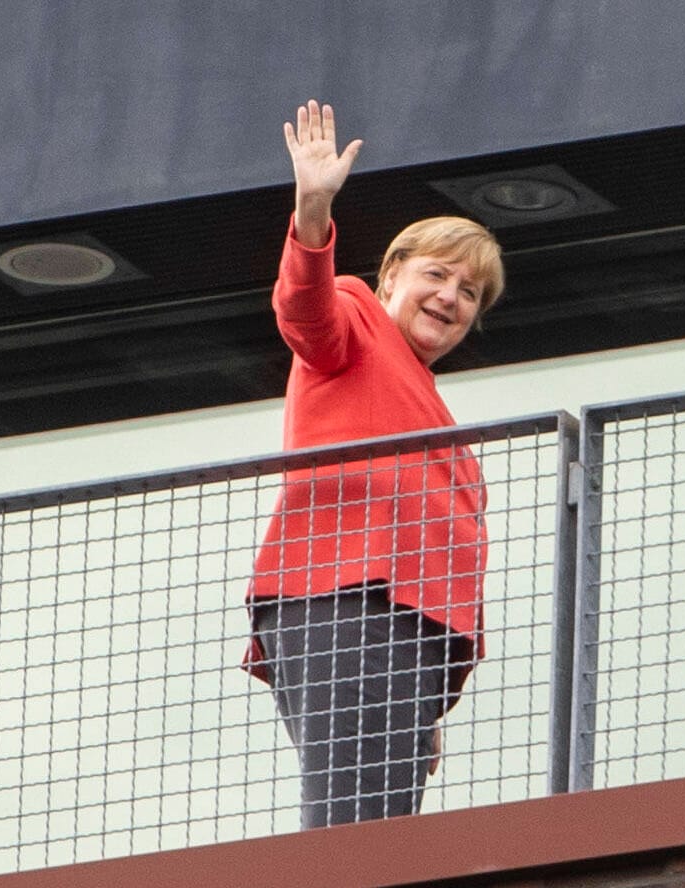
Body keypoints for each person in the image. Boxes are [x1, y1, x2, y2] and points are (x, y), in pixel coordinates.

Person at [242, 100, 504, 828]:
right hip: (349, 599)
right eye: (438, 275)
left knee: (381, 826)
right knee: (356, 831)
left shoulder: (435, 413)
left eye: (471, 292)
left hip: (402, 635)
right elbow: (305, 312)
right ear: (391, 277)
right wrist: (314, 212)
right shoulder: (356, 316)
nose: (451, 298)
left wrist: (425, 694)